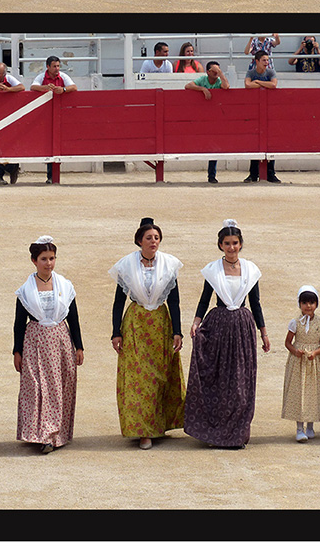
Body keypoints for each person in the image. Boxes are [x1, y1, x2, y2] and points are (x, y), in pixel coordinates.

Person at [184, 220, 270, 449]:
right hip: (219, 325)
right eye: (227, 243)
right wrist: (195, 322)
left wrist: (264, 333)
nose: (231, 247)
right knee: (220, 383)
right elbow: (204, 299)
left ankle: (238, 433)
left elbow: (256, 303)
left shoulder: (251, 270)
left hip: (242, 327)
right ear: (220, 245)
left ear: (241, 244)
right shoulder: (213, 270)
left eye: (235, 243)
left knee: (241, 383)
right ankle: (217, 433)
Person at [108, 217, 185, 450]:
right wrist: (115, 332)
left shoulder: (168, 265)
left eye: (157, 238)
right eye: (149, 238)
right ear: (139, 241)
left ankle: (159, 424)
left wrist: (177, 331)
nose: (153, 241)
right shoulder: (127, 265)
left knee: (160, 375)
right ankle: (143, 431)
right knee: (138, 377)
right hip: (136, 323)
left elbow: (174, 300)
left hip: (161, 323)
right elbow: (118, 301)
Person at [14, 236, 83, 453]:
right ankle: (38, 433)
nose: (49, 263)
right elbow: (18, 323)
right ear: (34, 261)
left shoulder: (65, 286)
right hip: (35, 340)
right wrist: (17, 351)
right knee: (36, 387)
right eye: (44, 259)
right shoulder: (25, 291)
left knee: (59, 387)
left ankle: (54, 435)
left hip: (60, 340)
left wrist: (78, 346)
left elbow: (73, 318)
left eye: (52, 258)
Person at [282, 287, 320, 442]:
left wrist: (315, 353)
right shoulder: (295, 323)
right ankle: (299, 428)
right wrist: (296, 351)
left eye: (312, 302)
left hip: (315, 363)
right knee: (299, 394)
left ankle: (310, 426)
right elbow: (288, 342)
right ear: (299, 304)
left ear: (316, 304)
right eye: (305, 302)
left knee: (313, 393)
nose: (308, 306)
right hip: (298, 363)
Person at [30, 57, 77, 183]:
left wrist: (63, 90)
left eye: (58, 66)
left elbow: (74, 87)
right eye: (54, 66)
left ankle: (51, 176)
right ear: (48, 67)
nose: (57, 69)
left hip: (59, 117)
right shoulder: (41, 77)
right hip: (43, 117)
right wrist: (45, 87)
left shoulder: (63, 76)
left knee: (55, 145)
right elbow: (33, 87)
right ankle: (51, 176)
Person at [184, 61, 230, 182]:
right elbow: (188, 86)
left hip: (215, 119)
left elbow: (226, 86)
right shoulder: (203, 79)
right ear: (208, 72)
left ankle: (211, 175)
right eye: (214, 71)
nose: (216, 73)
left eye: (218, 71)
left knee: (213, 146)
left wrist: (220, 73)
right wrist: (203, 89)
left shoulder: (219, 80)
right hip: (201, 118)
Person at [243, 50, 279, 183]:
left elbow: (274, 85)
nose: (267, 63)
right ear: (256, 61)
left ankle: (271, 173)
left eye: (267, 60)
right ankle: (253, 174)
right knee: (254, 144)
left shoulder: (269, 72)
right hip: (253, 112)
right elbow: (247, 85)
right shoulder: (251, 72)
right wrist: (264, 84)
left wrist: (257, 82)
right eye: (264, 60)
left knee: (271, 143)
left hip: (270, 112)